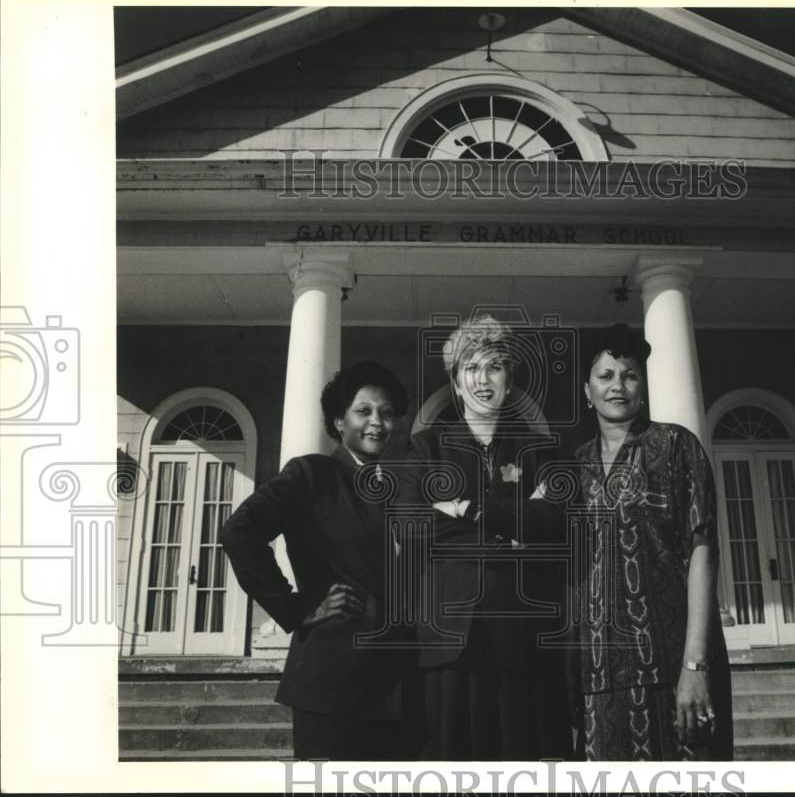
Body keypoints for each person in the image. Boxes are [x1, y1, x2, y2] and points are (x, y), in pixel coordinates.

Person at [397, 314, 573, 760]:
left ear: (509, 380)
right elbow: (411, 525)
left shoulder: (539, 449)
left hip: (522, 638)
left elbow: (552, 524)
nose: (482, 379)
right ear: (456, 383)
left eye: (494, 366)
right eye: (470, 368)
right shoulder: (426, 447)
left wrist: (468, 508)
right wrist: (512, 532)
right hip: (447, 641)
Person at [220, 361, 413, 760]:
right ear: (339, 421)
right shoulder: (312, 474)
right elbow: (240, 532)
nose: (377, 422)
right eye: (364, 411)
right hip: (332, 684)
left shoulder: (396, 489)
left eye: (387, 413)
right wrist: (296, 608)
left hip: (399, 687)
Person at [572, 324, 733, 761]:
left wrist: (695, 666)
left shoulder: (676, 445)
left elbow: (703, 550)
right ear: (588, 390)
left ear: (642, 386)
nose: (617, 386)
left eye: (629, 375)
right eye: (605, 376)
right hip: (597, 677)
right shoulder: (573, 466)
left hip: (671, 666)